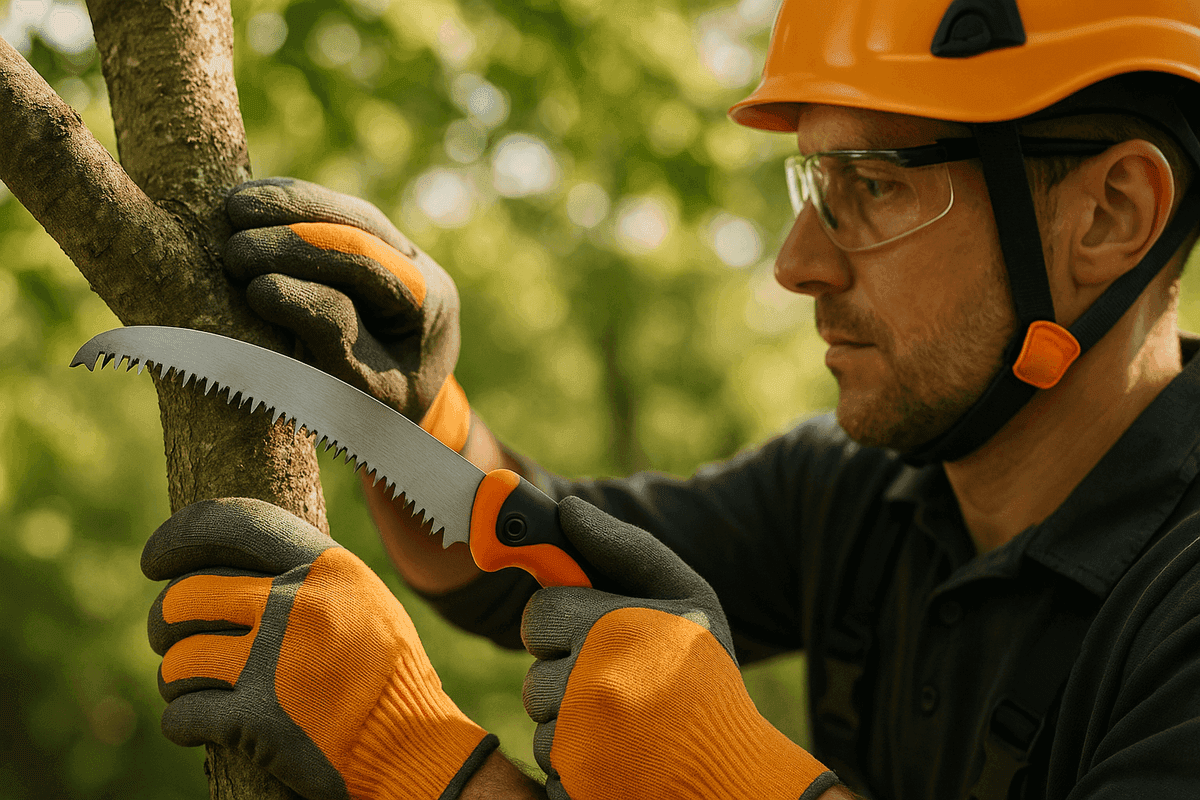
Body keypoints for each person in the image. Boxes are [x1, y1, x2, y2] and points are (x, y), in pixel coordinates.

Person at [141, 0, 1200, 798]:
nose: (798, 263)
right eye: (811, 186)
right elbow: (515, 570)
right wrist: (407, 408)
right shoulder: (860, 492)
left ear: (1111, 213)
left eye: (873, 186)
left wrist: (415, 754)